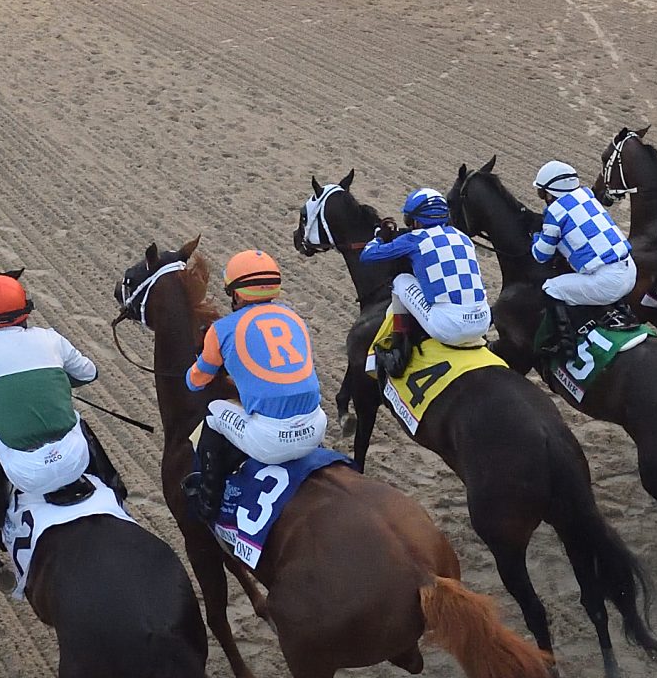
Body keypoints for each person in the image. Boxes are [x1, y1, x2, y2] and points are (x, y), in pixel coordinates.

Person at [186, 249, 329, 493]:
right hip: (316, 428)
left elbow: (196, 382)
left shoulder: (221, 329)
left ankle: (208, 497)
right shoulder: (293, 317)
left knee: (214, 412)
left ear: (237, 294)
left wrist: (195, 367)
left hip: (270, 441)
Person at [0, 272, 101, 508]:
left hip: (24, 473)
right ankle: (114, 485)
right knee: (76, 420)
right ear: (26, 309)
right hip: (74, 459)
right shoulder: (51, 338)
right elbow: (90, 373)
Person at [361, 189, 492, 376]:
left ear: (416, 221)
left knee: (401, 281)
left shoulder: (413, 239)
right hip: (482, 322)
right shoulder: (461, 236)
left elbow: (367, 256)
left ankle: (398, 353)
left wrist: (380, 236)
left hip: (448, 327)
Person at [528, 159, 636, 354]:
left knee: (551, 288)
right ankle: (624, 313)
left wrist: (536, 235)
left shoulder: (555, 211)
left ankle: (565, 343)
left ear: (550, 192)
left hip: (609, 282)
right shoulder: (586, 195)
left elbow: (541, 255)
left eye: (541, 192)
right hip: (630, 271)